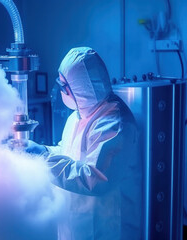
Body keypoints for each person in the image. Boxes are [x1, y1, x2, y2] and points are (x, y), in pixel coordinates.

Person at [26, 47, 142, 240]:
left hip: (107, 227)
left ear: (81, 88)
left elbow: (94, 179)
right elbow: (68, 152)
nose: (60, 91)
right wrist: (43, 150)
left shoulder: (115, 123)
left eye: (64, 86)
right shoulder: (79, 115)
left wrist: (44, 158)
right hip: (74, 223)